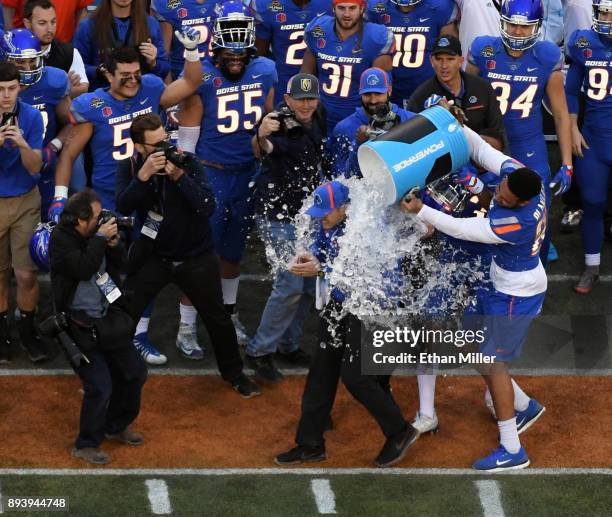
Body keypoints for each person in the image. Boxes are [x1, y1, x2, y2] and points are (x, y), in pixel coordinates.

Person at [50, 32, 202, 365]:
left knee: (144, 271)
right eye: (125, 76)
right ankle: (95, 333)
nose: (133, 81)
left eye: (137, 74)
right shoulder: (93, 104)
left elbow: (191, 82)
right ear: (106, 74)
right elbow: (68, 151)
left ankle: (136, 334)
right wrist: (60, 198)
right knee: (104, 275)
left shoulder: (150, 87)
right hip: (108, 205)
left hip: (150, 199)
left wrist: (190, 51)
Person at [401, 167, 547, 471]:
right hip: (489, 276)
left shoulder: (509, 214)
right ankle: (522, 405)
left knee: (493, 363)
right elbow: (484, 150)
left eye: (506, 198)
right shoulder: (521, 184)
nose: (500, 197)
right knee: (465, 343)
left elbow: (464, 228)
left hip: (505, 284)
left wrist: (423, 210)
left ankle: (512, 446)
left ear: (520, 202)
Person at [275, 180, 419, 468]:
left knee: (357, 377)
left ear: (344, 207)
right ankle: (310, 444)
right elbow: (327, 255)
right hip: (343, 302)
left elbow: (362, 271)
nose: (321, 218)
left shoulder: (364, 229)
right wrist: (311, 259)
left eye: (326, 212)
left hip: (374, 306)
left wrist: (322, 267)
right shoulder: (327, 223)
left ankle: (400, 431)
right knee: (321, 371)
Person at [116, 113, 260, 398]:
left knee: (218, 319)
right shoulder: (131, 167)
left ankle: (234, 373)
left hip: (196, 257)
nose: (165, 150)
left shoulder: (188, 163)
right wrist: (143, 177)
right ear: (140, 148)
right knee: (124, 316)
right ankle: (109, 372)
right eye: (156, 146)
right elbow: (122, 205)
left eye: (166, 141)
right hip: (154, 256)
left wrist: (178, 176)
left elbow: (207, 205)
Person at [178, 0, 277, 345]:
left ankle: (229, 314)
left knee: (233, 251)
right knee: (202, 253)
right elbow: (187, 132)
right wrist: (187, 178)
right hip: (211, 172)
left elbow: (269, 118)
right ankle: (187, 324)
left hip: (247, 171)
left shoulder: (265, 69)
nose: (235, 57)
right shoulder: (202, 75)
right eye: (229, 51)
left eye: (241, 50)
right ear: (216, 45)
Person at [466, 0, 573, 264]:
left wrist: (567, 163)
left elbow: (560, 114)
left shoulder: (546, 56)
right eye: (512, 24)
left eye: (525, 27)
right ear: (502, 21)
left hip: (529, 146)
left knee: (538, 214)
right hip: (490, 143)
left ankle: (537, 265)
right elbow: (467, 98)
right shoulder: (484, 49)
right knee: (484, 208)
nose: (517, 32)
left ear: (537, 27)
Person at [48, 189, 147, 465]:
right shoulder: (60, 240)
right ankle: (86, 444)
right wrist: (101, 239)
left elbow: (122, 266)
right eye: (95, 216)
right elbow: (82, 268)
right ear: (80, 220)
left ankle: (115, 426)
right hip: (77, 326)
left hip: (106, 319)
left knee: (135, 373)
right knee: (100, 386)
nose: (102, 219)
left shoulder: (96, 237)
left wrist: (113, 245)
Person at [245, 73, 326, 382]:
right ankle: (259, 351)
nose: (306, 105)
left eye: (311, 98)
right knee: (290, 283)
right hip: (277, 215)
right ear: (288, 100)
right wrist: (260, 134)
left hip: (306, 216)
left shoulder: (319, 115)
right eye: (300, 99)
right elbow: (261, 148)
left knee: (308, 285)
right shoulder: (276, 123)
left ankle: (287, 344)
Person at [0, 28, 72, 221]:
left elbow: (71, 123)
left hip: (43, 159)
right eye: (20, 62)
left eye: (32, 61)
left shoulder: (53, 80)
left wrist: (55, 145)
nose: (28, 68)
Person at [565, 0, 612, 293]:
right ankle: (592, 265)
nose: (608, 18)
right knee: (592, 202)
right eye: (605, 11)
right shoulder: (583, 41)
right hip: (594, 137)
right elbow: (570, 89)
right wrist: (571, 128)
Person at [0, 61, 45, 364]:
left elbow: (35, 167)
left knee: (27, 274)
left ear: (21, 87)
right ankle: (2, 334)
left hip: (26, 200)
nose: (6, 96)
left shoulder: (30, 116)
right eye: (1, 90)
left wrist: (23, 145)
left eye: (12, 89)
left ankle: (28, 330)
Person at [300, 0, 395, 131]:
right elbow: (306, 75)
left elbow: (378, 87)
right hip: (321, 112)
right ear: (333, 8)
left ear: (362, 9)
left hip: (357, 116)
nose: (346, 14)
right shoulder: (318, 29)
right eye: (341, 8)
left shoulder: (376, 37)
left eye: (352, 8)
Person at [407, 35, 507, 149]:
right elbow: (412, 141)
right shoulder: (420, 96)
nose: (444, 66)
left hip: (480, 158)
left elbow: (498, 133)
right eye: (439, 59)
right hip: (444, 160)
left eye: (450, 59)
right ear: (431, 61)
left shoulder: (483, 88)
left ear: (460, 61)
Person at [365, 0, 458, 109]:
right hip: (390, 88)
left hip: (427, 88)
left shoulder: (439, 7)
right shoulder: (376, 8)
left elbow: (450, 51)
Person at [332, 67, 416, 178]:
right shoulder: (344, 128)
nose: (373, 100)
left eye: (378, 93)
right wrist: (358, 145)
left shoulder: (411, 121)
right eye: (367, 94)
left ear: (389, 91)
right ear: (360, 93)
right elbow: (343, 178)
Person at [73, 0, 170, 90]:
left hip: (140, 96)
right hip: (104, 97)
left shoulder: (150, 23)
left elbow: (164, 70)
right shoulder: (88, 26)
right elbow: (77, 69)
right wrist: (98, 71)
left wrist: (153, 63)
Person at [252, 0, 332, 106]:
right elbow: (260, 57)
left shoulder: (332, 5)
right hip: (283, 82)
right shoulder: (266, 6)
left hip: (322, 83)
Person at [23, 0, 89, 98]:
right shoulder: (14, 54)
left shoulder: (69, 53)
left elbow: (83, 87)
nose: (50, 29)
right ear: (27, 23)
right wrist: (62, 88)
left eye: (53, 22)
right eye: (42, 23)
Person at [151, 0, 218, 80]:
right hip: (181, 74)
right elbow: (164, 55)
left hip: (216, 73)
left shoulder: (222, 3)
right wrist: (168, 84)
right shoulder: (167, 5)